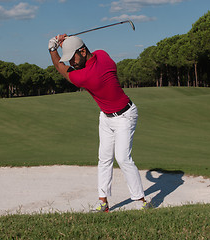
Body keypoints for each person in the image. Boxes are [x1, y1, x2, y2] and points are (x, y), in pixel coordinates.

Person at [48, 34, 150, 212]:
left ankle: (140, 201)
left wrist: (52, 49)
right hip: (106, 117)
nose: (71, 62)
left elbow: (59, 66)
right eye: (69, 59)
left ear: (83, 51)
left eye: (73, 58)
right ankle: (103, 202)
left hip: (125, 116)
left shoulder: (86, 76)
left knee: (123, 158)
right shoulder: (103, 55)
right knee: (104, 158)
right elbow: (82, 57)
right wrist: (68, 43)